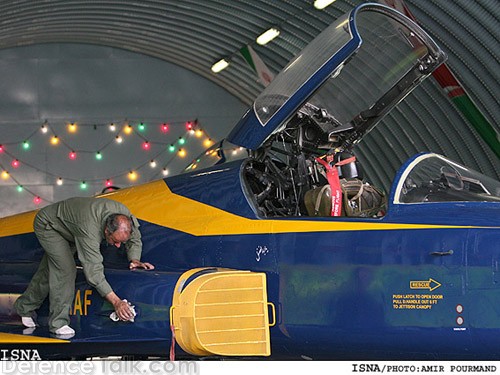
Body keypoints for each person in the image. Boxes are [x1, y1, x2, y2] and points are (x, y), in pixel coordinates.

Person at [14, 197, 154, 337]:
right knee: (65, 270)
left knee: (50, 269)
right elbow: (93, 272)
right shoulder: (89, 230)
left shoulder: (125, 218)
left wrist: (135, 259)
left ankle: (24, 307)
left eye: (121, 242)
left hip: (71, 227)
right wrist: (117, 302)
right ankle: (58, 323)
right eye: (115, 241)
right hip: (50, 225)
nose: (118, 246)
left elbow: (135, 239)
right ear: (106, 231)